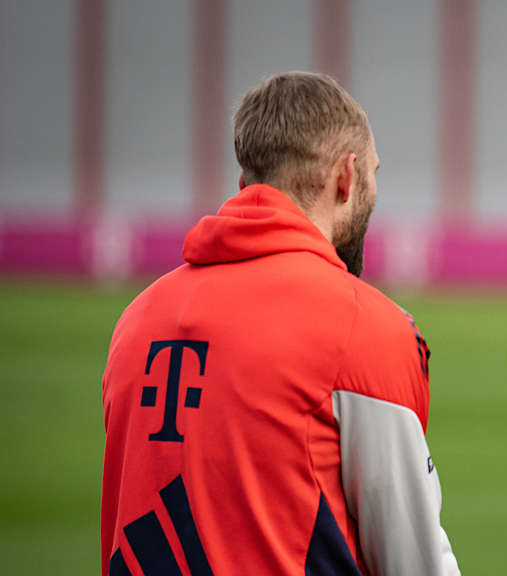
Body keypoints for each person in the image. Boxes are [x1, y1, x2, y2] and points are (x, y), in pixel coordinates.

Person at [101, 72, 460, 575]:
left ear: (246, 185)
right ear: (346, 177)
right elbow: (413, 561)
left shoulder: (136, 320)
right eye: (375, 171)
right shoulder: (364, 326)